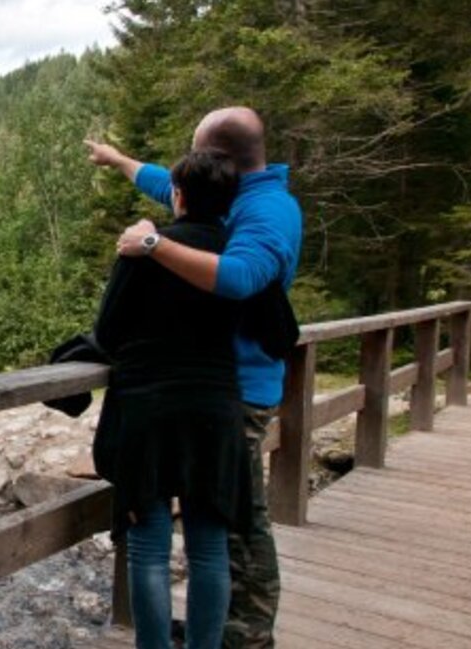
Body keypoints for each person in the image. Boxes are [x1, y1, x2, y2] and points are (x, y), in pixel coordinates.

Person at [86, 106, 301, 649]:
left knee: (226, 536)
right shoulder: (230, 203)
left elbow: (242, 278)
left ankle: (248, 637)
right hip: (219, 403)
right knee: (212, 541)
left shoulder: (266, 213)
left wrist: (152, 244)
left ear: (218, 164)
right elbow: (170, 181)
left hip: (210, 398)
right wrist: (118, 161)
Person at [91, 149, 251, 649]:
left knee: (149, 551)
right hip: (215, 410)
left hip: (147, 412)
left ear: (177, 196)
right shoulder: (237, 255)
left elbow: (108, 330)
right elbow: (277, 330)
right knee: (208, 550)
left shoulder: (144, 249)